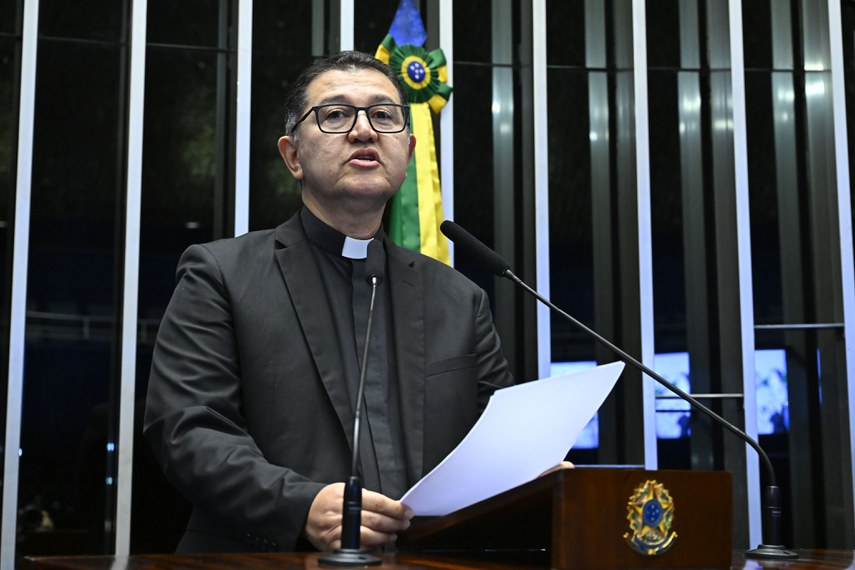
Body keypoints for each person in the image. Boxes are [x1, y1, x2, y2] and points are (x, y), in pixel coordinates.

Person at [143, 50, 514, 554]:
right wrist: (299, 506)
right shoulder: (222, 274)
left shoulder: (458, 298)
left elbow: (497, 443)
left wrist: (531, 474)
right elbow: (187, 428)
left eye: (383, 115)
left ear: (406, 152)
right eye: (336, 115)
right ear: (293, 156)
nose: (364, 131)